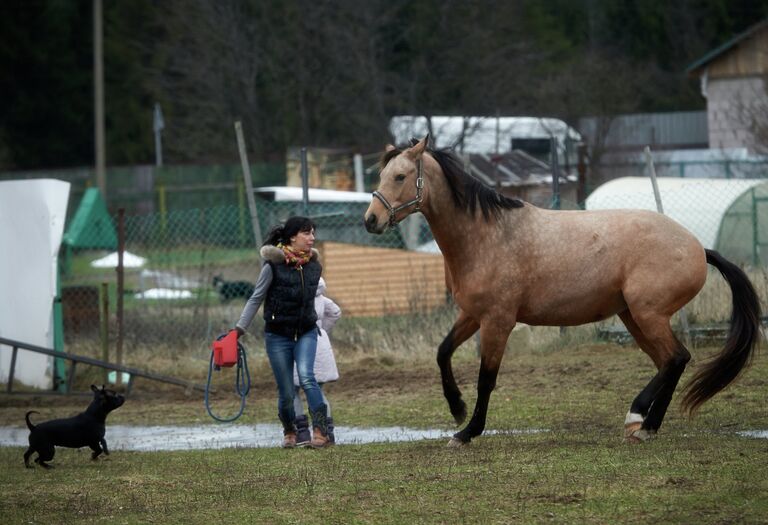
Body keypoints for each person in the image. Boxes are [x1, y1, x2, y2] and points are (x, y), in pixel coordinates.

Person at [233, 216, 331, 449]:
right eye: (306, 233)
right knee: (286, 390)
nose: (312, 238)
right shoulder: (272, 267)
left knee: (308, 378)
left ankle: (321, 432)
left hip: (306, 332)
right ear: (292, 237)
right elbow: (256, 298)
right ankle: (290, 430)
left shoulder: (314, 266)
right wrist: (239, 329)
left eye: (313, 233)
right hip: (278, 336)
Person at [292, 277, 341, 446]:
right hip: (319, 343)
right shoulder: (321, 297)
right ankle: (327, 431)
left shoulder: (293, 295)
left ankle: (302, 432)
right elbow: (335, 312)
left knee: (293, 390)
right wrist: (323, 330)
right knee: (318, 391)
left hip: (299, 342)